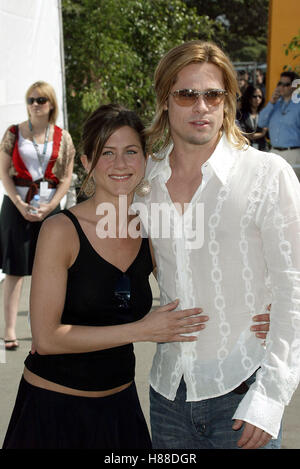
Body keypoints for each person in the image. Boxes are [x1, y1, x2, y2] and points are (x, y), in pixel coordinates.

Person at [2, 103, 209, 449]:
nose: (120, 164)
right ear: (86, 163)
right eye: (106, 153)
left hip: (121, 412)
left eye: (131, 152)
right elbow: (47, 338)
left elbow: (196, 290)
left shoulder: (149, 229)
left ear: (145, 159)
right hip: (55, 413)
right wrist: (140, 330)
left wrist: (261, 313)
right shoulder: (61, 231)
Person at [134, 40, 300, 449]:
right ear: (165, 101)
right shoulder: (142, 183)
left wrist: (270, 397)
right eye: (187, 94)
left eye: (213, 94)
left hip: (244, 393)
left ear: (227, 100)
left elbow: (293, 287)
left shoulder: (267, 174)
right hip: (168, 396)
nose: (201, 106)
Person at [0, 81, 75, 350]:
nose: (35, 104)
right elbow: (3, 171)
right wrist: (19, 203)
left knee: (48, 270)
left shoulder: (62, 137)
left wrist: (52, 205)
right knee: (14, 271)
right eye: (31, 99)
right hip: (17, 204)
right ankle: (9, 331)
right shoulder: (13, 133)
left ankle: (42, 330)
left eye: (41, 100)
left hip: (49, 206)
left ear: (51, 104)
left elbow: (66, 177)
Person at [258, 71, 300, 179]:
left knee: (293, 192)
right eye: (279, 84)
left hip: (293, 153)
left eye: (285, 84)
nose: (282, 87)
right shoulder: (274, 104)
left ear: (293, 86)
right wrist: (271, 103)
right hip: (274, 152)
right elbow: (261, 122)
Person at [237, 84, 268, 151]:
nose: (257, 99)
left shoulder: (264, 114)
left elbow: (268, 134)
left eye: (260, 97)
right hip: (247, 150)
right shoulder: (241, 114)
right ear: (249, 97)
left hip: (262, 149)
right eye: (254, 96)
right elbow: (245, 135)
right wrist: (262, 134)